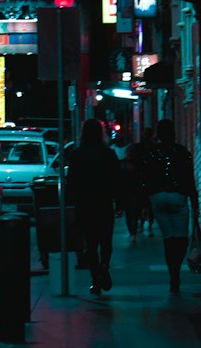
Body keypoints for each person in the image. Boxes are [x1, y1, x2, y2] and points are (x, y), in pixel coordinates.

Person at [64, 117, 123, 297]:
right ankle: (105, 265)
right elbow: (116, 180)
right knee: (106, 240)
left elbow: (71, 182)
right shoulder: (109, 154)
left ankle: (95, 278)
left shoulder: (77, 155)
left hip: (85, 204)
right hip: (104, 202)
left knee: (90, 242)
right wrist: (119, 202)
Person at [143, 118, 200, 294]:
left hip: (158, 197)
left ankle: (172, 271)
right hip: (178, 196)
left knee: (168, 237)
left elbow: (146, 179)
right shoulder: (182, 152)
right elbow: (189, 179)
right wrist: (195, 202)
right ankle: (176, 270)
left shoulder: (152, 153)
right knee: (181, 237)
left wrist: (146, 203)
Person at [120, 126, 156, 239]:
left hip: (133, 182)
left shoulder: (135, 148)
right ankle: (148, 225)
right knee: (148, 204)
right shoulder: (153, 148)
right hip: (148, 180)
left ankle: (134, 231)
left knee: (133, 207)